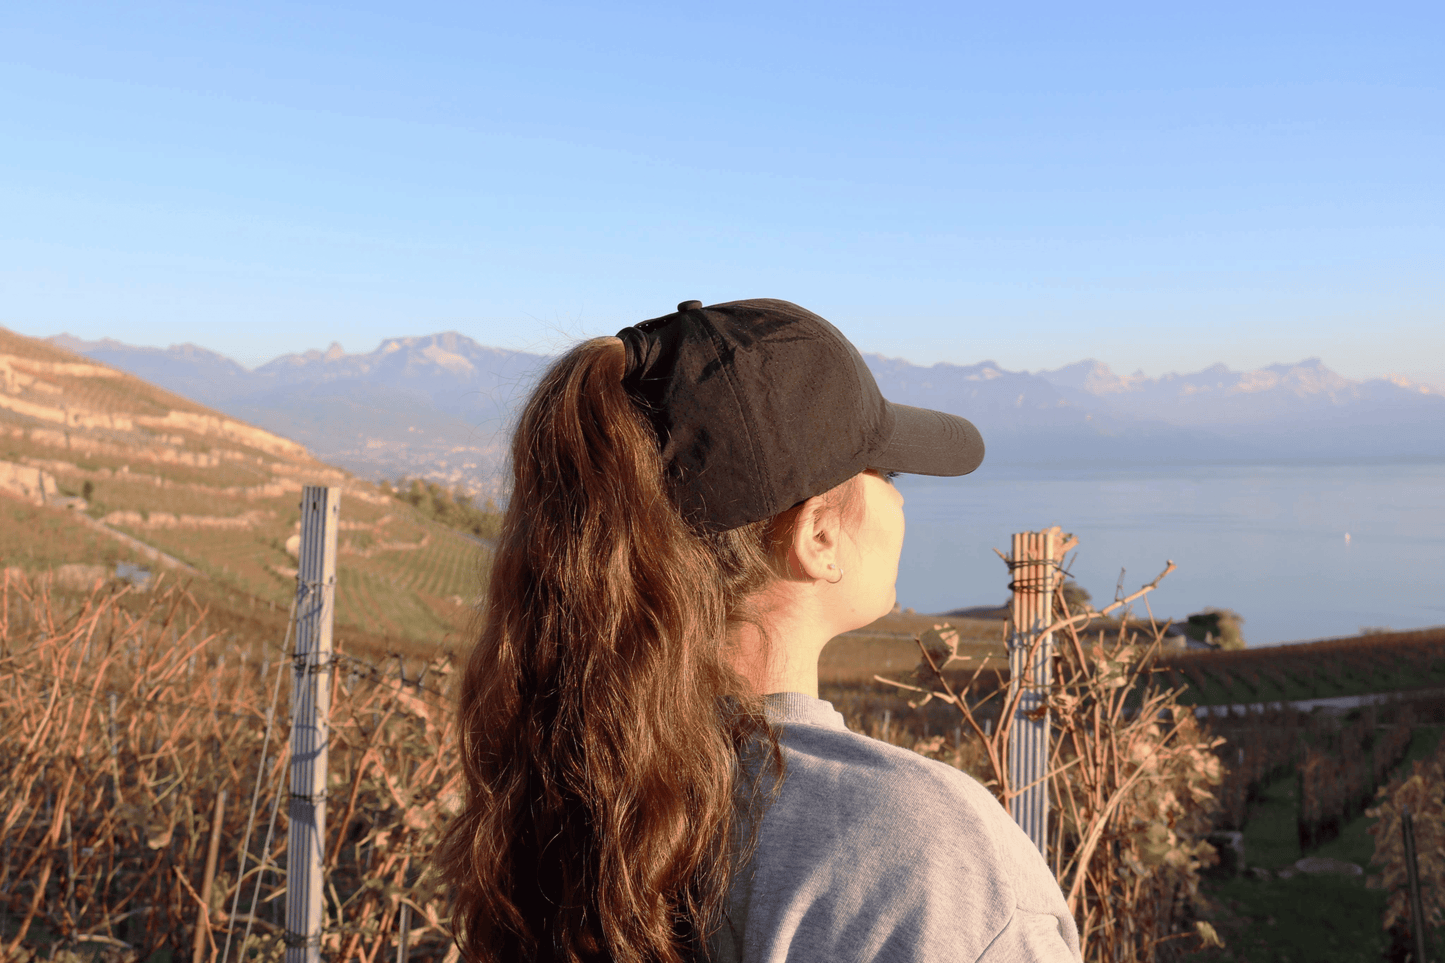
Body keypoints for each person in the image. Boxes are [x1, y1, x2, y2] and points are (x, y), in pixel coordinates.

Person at [436, 299, 1082, 963]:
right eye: (884, 472)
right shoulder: (924, 848)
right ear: (818, 535)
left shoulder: (560, 794)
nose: (899, 497)